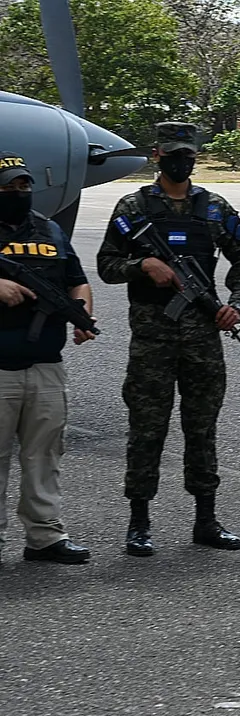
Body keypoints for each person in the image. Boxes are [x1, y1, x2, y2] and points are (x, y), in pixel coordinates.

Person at [97, 122, 240, 556]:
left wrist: (235, 304)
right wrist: (143, 266)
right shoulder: (134, 207)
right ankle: (139, 522)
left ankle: (206, 519)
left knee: (201, 430)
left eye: (188, 154)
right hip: (153, 340)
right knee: (147, 429)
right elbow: (107, 265)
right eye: (173, 154)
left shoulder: (214, 208)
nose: (181, 161)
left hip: (203, 339)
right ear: (157, 155)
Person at [0, 153, 96, 565]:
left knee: (45, 455)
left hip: (46, 366)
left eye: (24, 185)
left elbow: (77, 281)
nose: (18, 192)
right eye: (9, 186)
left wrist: (82, 313)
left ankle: (44, 537)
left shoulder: (49, 229)